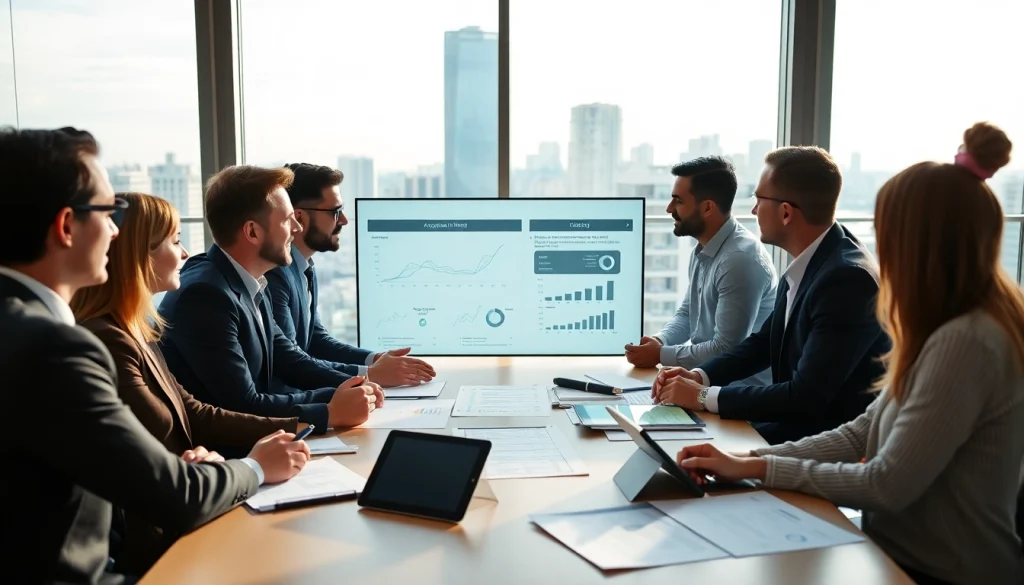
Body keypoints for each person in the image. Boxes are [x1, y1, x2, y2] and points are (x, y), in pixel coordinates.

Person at [674, 122, 1024, 585]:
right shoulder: (944, 325)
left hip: (936, 571)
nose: (879, 247)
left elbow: (885, 482)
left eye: (888, 231)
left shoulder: (967, 340)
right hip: (894, 553)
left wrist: (760, 466)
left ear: (918, 243)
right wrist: (747, 461)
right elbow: (863, 432)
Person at [0, 127, 309, 585]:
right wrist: (255, 467)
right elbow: (173, 497)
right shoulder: (55, 349)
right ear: (66, 226)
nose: (114, 229)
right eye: (109, 212)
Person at [70, 192, 315, 573]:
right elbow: (136, 469)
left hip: (188, 499)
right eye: (175, 241)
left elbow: (192, 411)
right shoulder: (106, 341)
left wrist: (300, 427)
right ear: (139, 255)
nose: (186, 254)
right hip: (154, 541)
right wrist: (253, 465)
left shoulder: (136, 331)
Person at [652, 146, 889, 445]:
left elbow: (805, 396)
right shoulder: (816, 259)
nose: (752, 211)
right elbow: (763, 343)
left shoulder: (847, 281)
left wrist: (701, 396)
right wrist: (699, 377)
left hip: (815, 443)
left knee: (683, 449)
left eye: (759, 200)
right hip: (790, 426)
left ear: (786, 212)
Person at [158, 165, 383, 433]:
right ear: (252, 232)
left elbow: (288, 359)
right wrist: (329, 412)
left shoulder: (251, 280)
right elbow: (243, 403)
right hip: (224, 452)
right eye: (288, 220)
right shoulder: (206, 296)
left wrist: (360, 387)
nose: (297, 228)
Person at [266, 162, 436, 387]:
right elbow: (290, 362)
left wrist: (376, 360)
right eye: (335, 212)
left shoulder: (304, 267)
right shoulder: (275, 275)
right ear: (300, 217)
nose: (344, 220)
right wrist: (370, 374)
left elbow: (316, 340)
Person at [625, 156, 776, 387]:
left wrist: (660, 354)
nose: (669, 209)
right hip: (704, 385)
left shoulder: (740, 259)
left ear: (707, 207)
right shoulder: (705, 247)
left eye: (678, 201)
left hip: (738, 400)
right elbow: (688, 314)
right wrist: (658, 341)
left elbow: (726, 348)